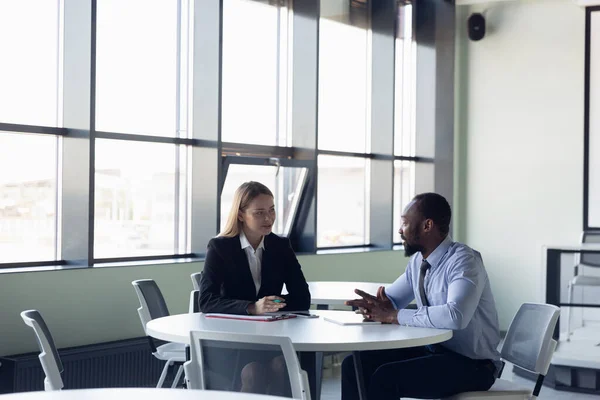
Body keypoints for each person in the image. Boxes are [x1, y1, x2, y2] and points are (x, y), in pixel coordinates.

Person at [343, 192, 501, 400]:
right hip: (437, 353)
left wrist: (393, 315)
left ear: (427, 226)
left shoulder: (464, 261)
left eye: (405, 223)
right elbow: (391, 299)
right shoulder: (419, 262)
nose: (400, 230)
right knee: (355, 365)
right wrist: (376, 306)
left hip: (473, 365)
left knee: (386, 377)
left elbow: (456, 316)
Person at [199, 181, 311, 394]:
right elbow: (206, 301)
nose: (268, 218)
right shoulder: (220, 247)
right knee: (253, 372)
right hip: (233, 340)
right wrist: (252, 307)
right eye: (259, 213)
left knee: (281, 365)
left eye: (271, 210)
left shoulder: (280, 245)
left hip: (271, 337)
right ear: (241, 214)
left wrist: (270, 304)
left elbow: (302, 297)